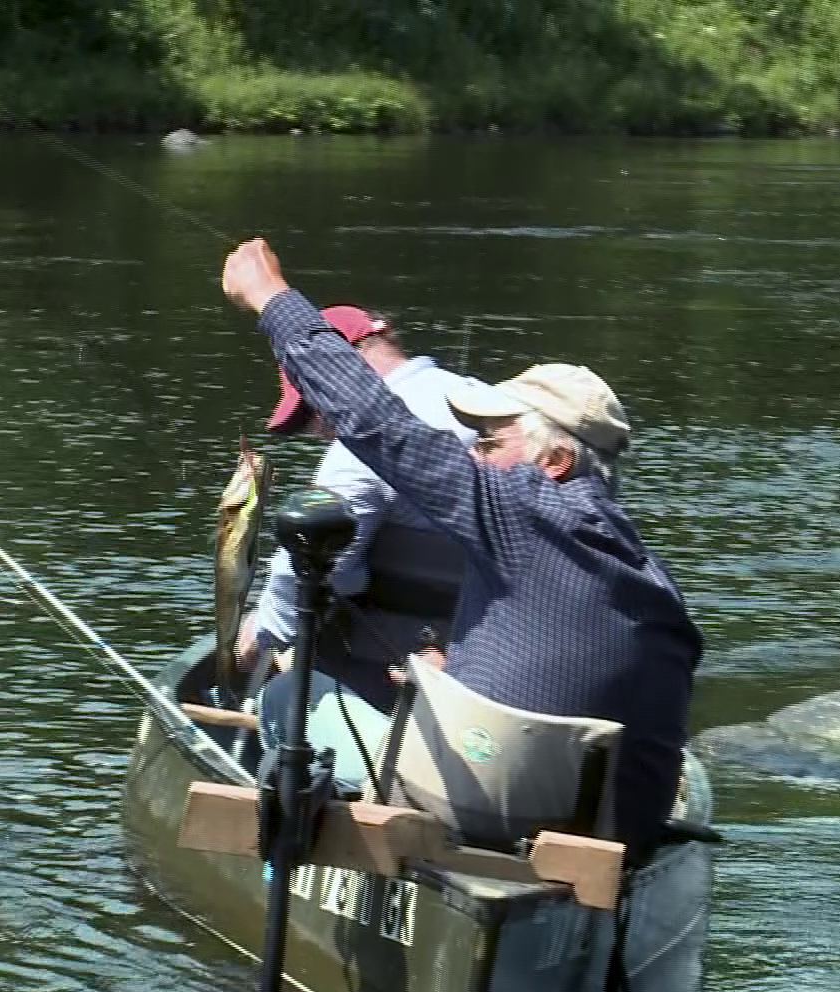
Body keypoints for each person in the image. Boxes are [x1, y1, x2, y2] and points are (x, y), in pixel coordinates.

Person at [221, 237, 704, 858]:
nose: (472, 454)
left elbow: (377, 422)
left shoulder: (513, 510)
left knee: (287, 697)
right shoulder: (654, 579)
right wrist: (457, 676)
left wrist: (273, 298)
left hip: (483, 817)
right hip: (608, 837)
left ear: (553, 461)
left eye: (487, 440)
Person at [239, 303, 480, 713]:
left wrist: (257, 641)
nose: (317, 429)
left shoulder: (357, 453)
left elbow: (314, 570)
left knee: (277, 692)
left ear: (343, 363)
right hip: (482, 658)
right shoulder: (485, 401)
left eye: (311, 404)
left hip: (389, 668)